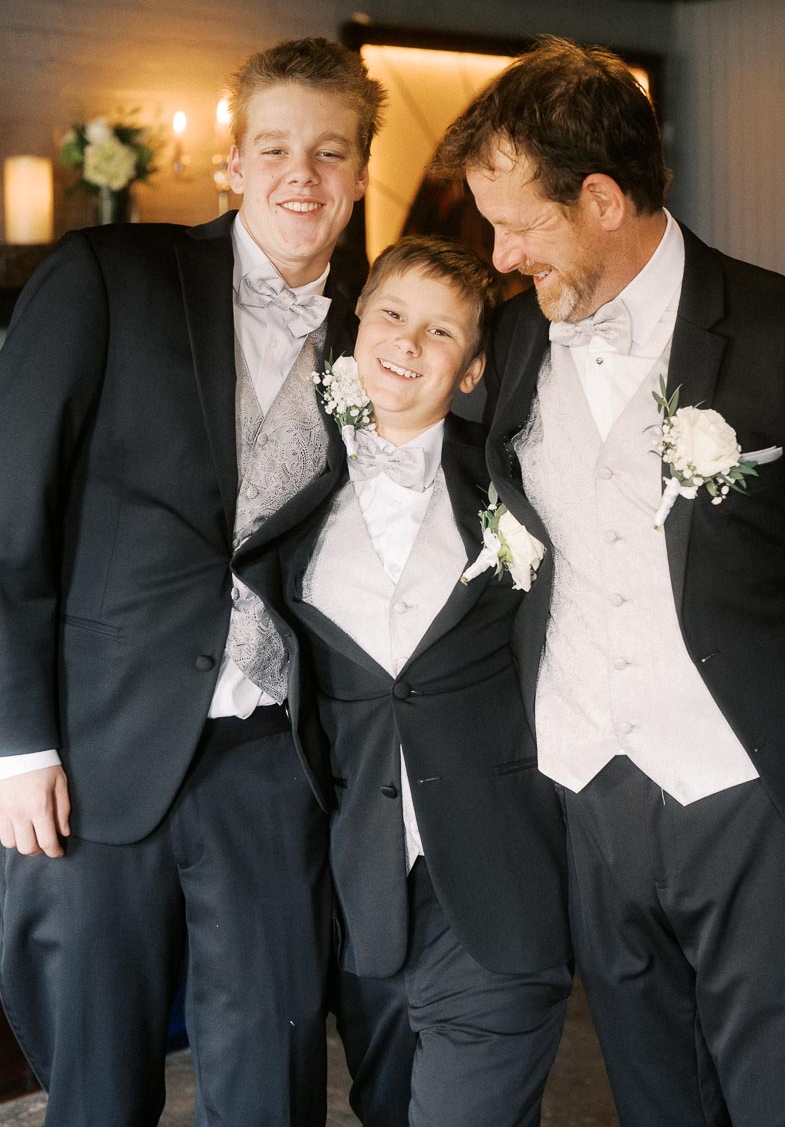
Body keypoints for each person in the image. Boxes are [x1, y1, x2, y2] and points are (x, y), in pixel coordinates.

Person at [431, 36, 785, 1126]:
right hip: (586, 797)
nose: (499, 257)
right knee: (656, 1107)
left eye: (517, 224)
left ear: (601, 197)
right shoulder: (514, 343)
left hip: (761, 810)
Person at [0, 37, 386, 1126]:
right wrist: (18, 745)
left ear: (360, 171)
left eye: (329, 151)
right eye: (274, 148)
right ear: (231, 163)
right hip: (92, 751)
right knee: (97, 1087)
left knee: (272, 1079)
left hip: (272, 763)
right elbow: (8, 523)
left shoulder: (382, 333)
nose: (300, 176)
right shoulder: (110, 276)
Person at [236, 236, 571, 1127]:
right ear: (355, 327)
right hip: (367, 904)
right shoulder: (291, 511)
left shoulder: (520, 495)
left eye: (441, 332)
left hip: (499, 893)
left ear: (470, 372)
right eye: (391, 315)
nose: (408, 343)